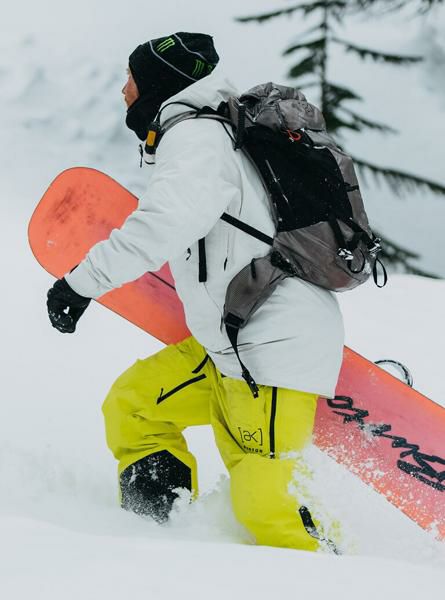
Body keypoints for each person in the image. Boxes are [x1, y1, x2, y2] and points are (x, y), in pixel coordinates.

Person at [46, 32, 344, 551]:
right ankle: (160, 540)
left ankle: (343, 577)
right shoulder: (209, 132)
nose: (124, 91)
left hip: (272, 350)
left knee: (266, 505)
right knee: (136, 406)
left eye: (131, 79)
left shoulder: (197, 137)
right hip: (232, 346)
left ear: (158, 83)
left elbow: (164, 223)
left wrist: (80, 285)